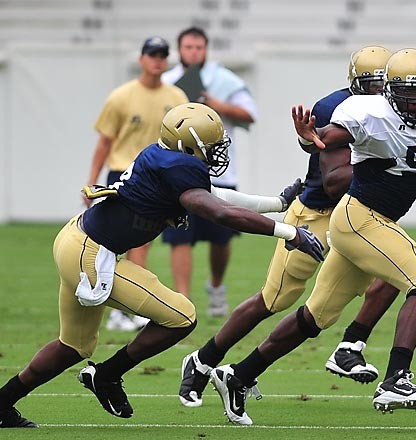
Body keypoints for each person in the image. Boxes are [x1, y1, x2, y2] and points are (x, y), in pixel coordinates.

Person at [207, 48, 416, 425]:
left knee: (313, 318)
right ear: (389, 91)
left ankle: (237, 375)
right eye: (407, 93)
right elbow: (328, 138)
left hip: (375, 220)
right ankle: (396, 379)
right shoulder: (368, 112)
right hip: (358, 218)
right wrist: (310, 137)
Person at [0, 103, 323, 429]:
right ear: (188, 146)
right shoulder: (179, 168)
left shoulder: (165, 158)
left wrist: (277, 204)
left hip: (76, 239)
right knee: (182, 317)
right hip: (91, 254)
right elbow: (219, 213)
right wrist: (289, 232)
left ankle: (2, 403)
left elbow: (215, 196)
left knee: (74, 346)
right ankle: (108, 375)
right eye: (210, 147)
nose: (217, 153)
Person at [177, 46, 399, 408]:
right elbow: (333, 182)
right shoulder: (336, 109)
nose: (380, 93)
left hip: (359, 212)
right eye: (372, 84)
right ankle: (203, 360)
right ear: (357, 84)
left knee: (398, 271)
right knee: (273, 300)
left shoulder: (397, 109)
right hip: (317, 214)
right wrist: (395, 161)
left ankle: (350, 345)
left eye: (384, 85)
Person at [83, 36, 189, 331]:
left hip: (158, 180)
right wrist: (91, 180)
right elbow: (105, 141)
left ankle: (130, 304)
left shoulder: (177, 97)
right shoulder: (121, 96)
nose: (158, 59)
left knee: (141, 242)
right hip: (122, 175)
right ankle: (119, 307)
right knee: (111, 243)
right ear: (142, 59)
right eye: (152, 54)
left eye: (162, 55)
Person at [162, 27, 258, 316]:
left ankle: (216, 286)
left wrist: (215, 105)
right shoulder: (167, 82)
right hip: (176, 173)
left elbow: (249, 113)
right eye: (188, 47)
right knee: (179, 237)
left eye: (199, 47)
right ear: (179, 49)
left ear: (206, 49)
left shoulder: (224, 79)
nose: (193, 52)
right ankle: (183, 300)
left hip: (218, 174)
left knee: (221, 238)